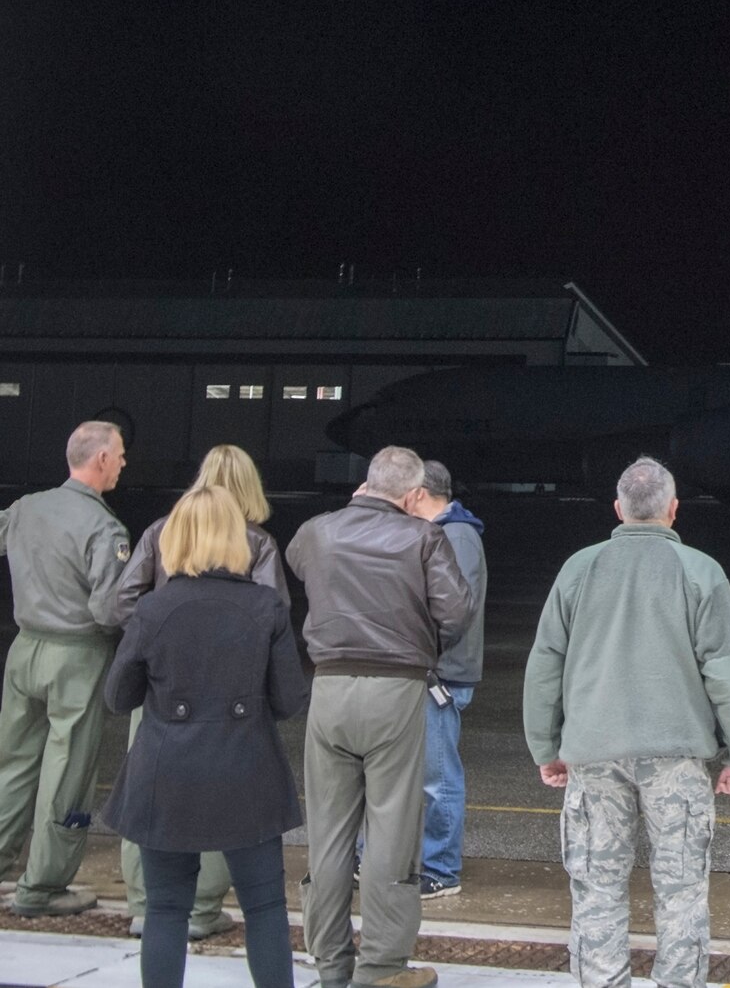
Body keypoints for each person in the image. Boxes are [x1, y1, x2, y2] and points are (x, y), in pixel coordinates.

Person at [524, 456, 730, 988]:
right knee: (680, 890)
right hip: (677, 759)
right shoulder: (702, 572)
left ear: (618, 509)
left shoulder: (578, 568)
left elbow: (545, 666)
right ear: (674, 511)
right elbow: (725, 675)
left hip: (593, 756)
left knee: (596, 886)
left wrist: (546, 746)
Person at [100, 485, 305, 988]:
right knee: (264, 906)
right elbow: (288, 701)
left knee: (167, 907)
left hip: (166, 773)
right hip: (245, 772)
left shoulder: (152, 609)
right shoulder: (265, 608)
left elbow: (118, 697)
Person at [287, 445, 472, 988]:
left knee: (328, 832)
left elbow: (300, 564)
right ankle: (384, 968)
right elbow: (457, 611)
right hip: (396, 689)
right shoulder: (423, 537)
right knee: (392, 829)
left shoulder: (318, 531)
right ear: (415, 495)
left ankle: (331, 966)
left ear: (365, 485)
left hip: (330, 686)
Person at [0, 420, 131, 917]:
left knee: (11, 765)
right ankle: (43, 887)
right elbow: (105, 610)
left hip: (24, 648)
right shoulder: (105, 527)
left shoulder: (28, 507)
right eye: (119, 455)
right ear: (100, 459)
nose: (123, 462)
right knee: (67, 772)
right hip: (76, 656)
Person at [409, 459, 487, 900]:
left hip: (440, 674)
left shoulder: (454, 535)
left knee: (438, 776)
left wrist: (419, 652)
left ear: (419, 493)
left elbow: (455, 612)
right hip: (436, 669)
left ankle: (440, 869)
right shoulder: (448, 532)